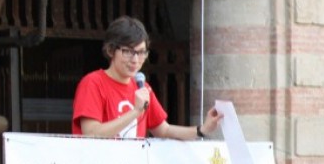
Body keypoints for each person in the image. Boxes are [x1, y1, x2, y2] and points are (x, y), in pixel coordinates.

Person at [73, 16, 222, 140]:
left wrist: (202, 130)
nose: (135, 60)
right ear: (111, 50)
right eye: (128, 52)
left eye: (141, 52)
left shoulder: (143, 88)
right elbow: (91, 133)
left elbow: (164, 130)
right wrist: (135, 112)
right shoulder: (93, 83)